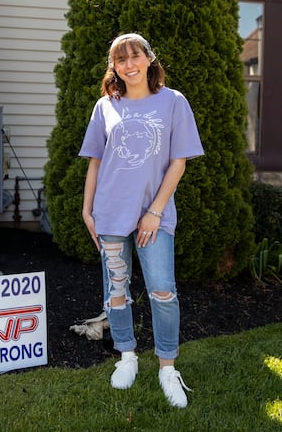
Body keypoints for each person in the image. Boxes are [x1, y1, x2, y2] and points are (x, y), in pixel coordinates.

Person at [79, 33, 204, 408]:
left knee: (163, 291)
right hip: (111, 213)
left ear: (149, 59)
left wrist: (154, 211)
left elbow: (178, 163)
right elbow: (96, 162)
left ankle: (167, 367)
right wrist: (87, 210)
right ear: (113, 67)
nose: (129, 65)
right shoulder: (105, 106)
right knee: (116, 291)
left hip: (155, 216)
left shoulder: (173, 103)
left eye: (135, 56)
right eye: (121, 60)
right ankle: (127, 357)